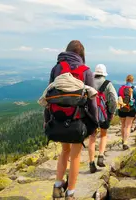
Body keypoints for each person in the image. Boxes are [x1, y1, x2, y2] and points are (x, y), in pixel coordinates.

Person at [43, 40, 98, 200]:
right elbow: (92, 101)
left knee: (64, 151)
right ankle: (71, 193)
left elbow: (48, 96)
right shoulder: (86, 71)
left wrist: (47, 119)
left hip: (58, 118)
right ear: (82, 55)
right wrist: (94, 123)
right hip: (77, 121)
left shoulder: (57, 68)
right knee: (75, 155)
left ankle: (57, 186)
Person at [88, 64, 118, 173]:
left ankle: (91, 163)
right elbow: (114, 99)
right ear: (104, 73)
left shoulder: (89, 82)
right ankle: (100, 156)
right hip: (103, 113)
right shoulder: (107, 84)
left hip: (91, 114)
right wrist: (111, 112)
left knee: (92, 137)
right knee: (104, 134)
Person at [117, 74, 136, 150]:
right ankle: (125, 143)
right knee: (128, 126)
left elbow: (118, 99)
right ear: (132, 80)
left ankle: (123, 139)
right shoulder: (134, 89)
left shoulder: (121, 88)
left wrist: (118, 109)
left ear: (126, 80)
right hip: (131, 109)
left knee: (123, 125)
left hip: (122, 109)